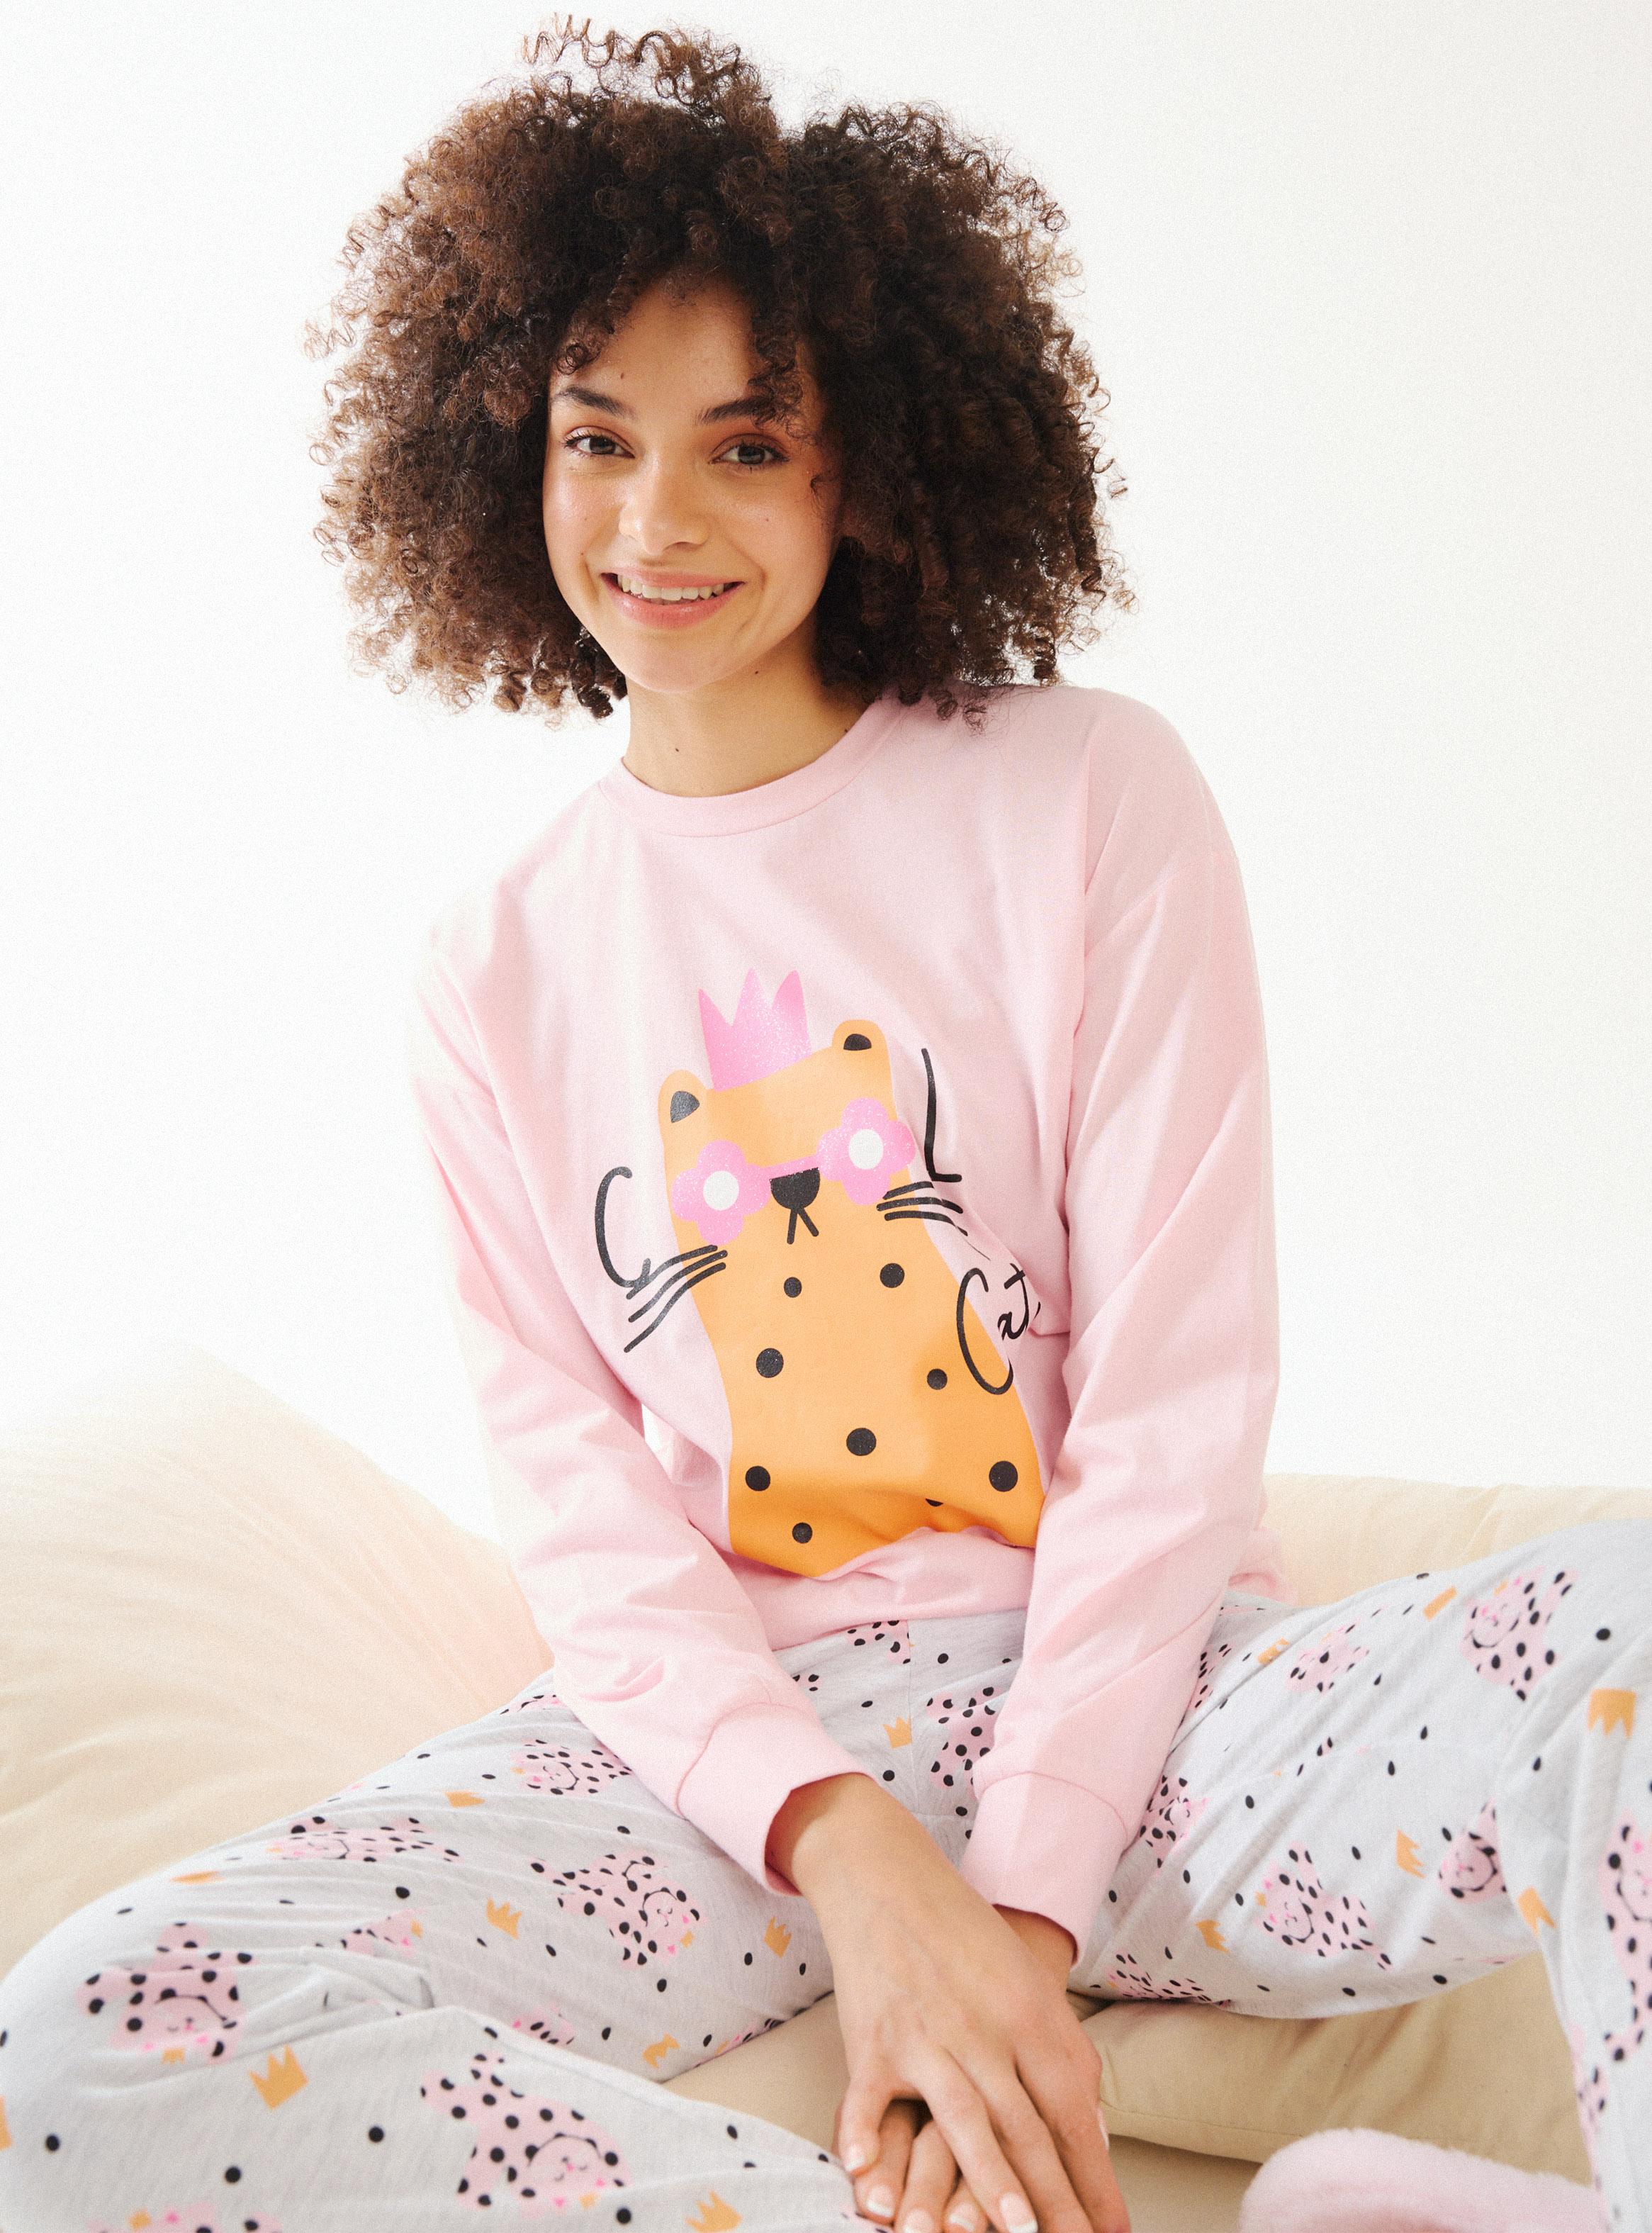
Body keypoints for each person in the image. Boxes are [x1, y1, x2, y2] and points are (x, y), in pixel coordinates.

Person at [1, 21, 1646, 2233]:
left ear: (861, 463)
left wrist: (1015, 1919)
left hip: (1159, 1720)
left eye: (745, 444)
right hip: (713, 1787)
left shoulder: (1086, 797)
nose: (654, 521)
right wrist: (857, 1864)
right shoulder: (491, 965)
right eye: (597, 438)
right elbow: (586, 1529)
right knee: (91, 2030)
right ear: (506, 458)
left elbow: (1170, 1411)